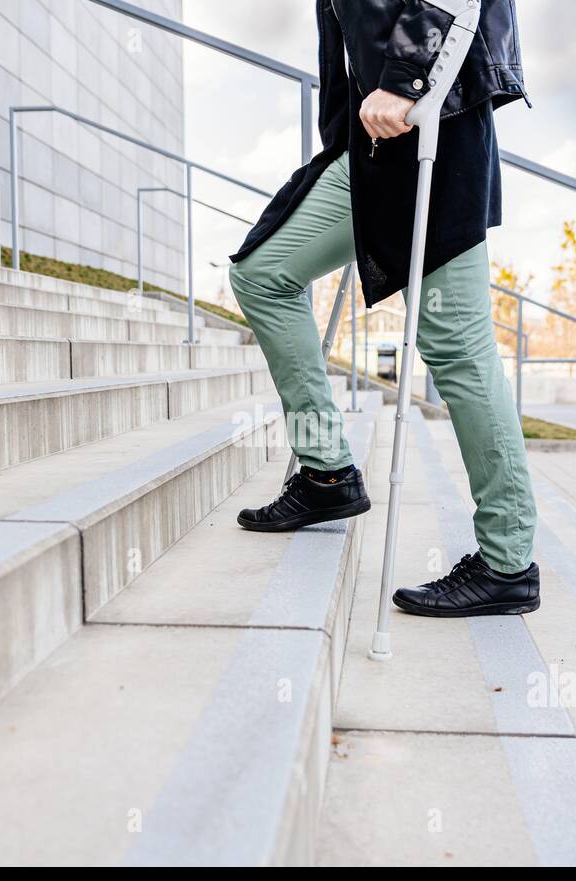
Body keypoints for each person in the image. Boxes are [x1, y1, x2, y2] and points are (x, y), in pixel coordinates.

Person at [228, 0, 540, 618]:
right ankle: (326, 475)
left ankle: (508, 563)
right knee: (263, 274)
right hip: (367, 150)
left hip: (434, 129)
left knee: (458, 349)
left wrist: (406, 80)